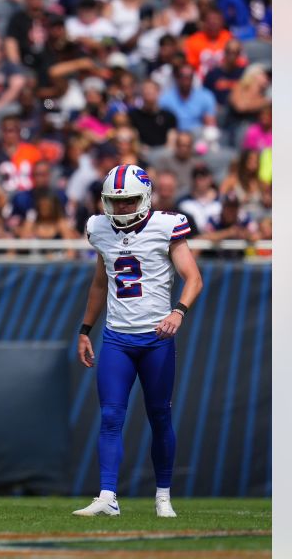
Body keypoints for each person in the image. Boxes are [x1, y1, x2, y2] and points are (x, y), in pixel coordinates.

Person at [74, 163, 202, 518]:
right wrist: (85, 330)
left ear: (145, 198)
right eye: (115, 202)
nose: (121, 208)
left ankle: (163, 496)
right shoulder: (100, 228)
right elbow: (101, 283)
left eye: (129, 201)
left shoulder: (166, 226)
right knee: (111, 416)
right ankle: (107, 496)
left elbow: (193, 278)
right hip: (116, 338)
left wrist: (177, 312)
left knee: (159, 416)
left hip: (155, 339)